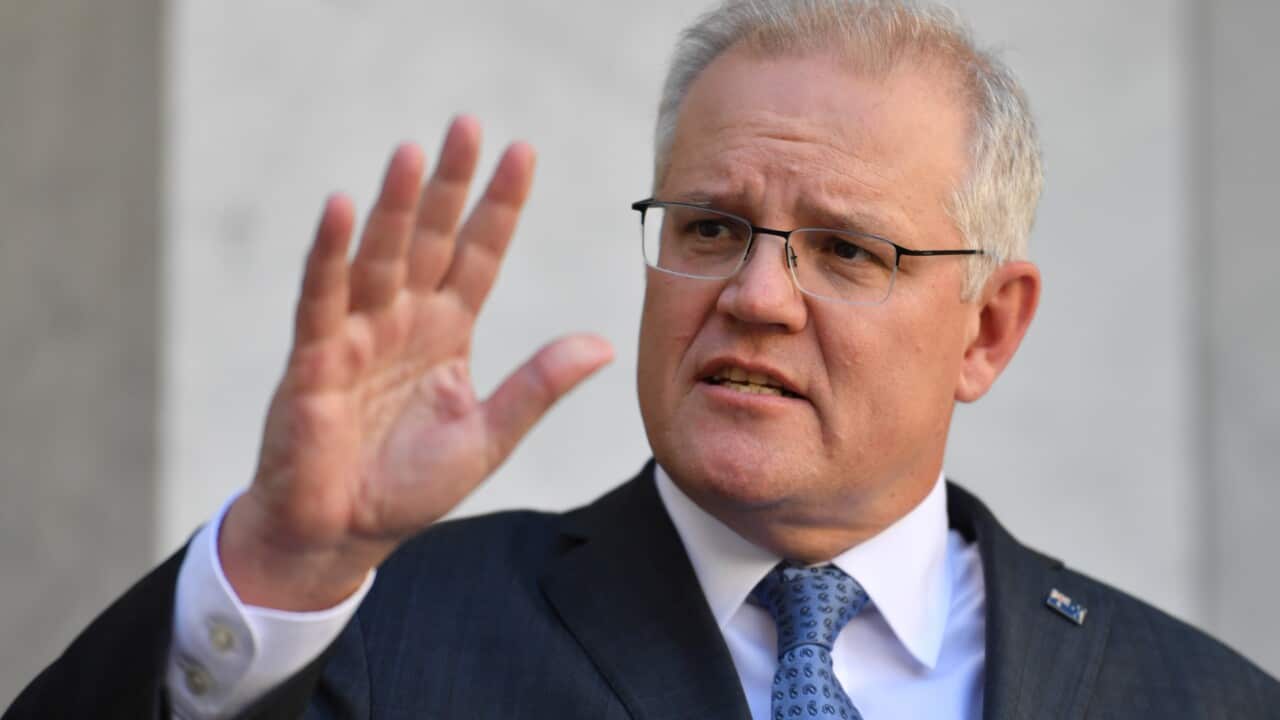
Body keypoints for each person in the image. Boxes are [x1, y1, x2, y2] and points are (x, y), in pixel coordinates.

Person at [8, 1, 1279, 718]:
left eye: (843, 250)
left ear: (986, 329)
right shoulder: (383, 628)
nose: (755, 296)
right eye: (712, 228)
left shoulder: (1192, 701)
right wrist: (284, 562)